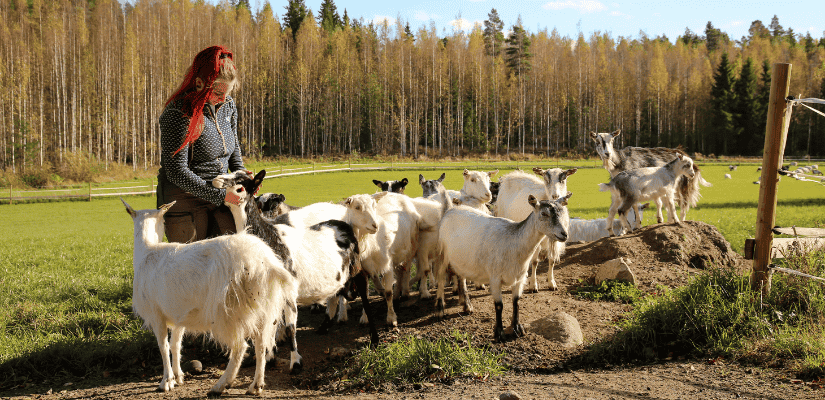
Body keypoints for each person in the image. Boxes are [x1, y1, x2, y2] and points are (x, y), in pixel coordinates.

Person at [157, 45, 248, 243]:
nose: (223, 99)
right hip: (184, 198)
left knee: (230, 256)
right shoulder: (179, 113)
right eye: (217, 92)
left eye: (228, 91)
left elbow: (233, 147)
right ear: (199, 83)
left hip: (221, 193)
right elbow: (176, 170)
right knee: (191, 267)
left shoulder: (228, 105)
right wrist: (219, 195)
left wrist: (241, 174)